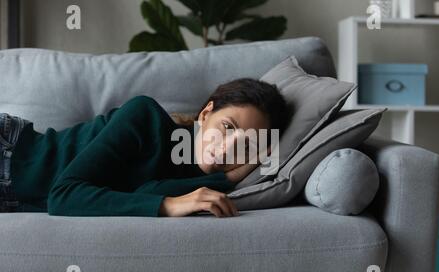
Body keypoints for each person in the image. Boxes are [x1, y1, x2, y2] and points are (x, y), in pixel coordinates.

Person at [0, 78, 289, 218]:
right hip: (10, 151)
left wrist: (229, 180)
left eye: (246, 146)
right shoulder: (145, 117)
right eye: (227, 127)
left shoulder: (194, 182)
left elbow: (140, 192)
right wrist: (169, 205)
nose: (226, 149)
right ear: (205, 114)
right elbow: (63, 196)